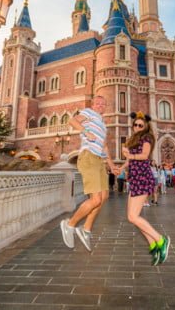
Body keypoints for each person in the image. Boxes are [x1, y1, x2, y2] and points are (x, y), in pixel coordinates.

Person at [60, 96, 117, 252]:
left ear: (105, 107)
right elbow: (72, 121)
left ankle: (86, 229)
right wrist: (85, 131)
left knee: (103, 197)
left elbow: (104, 146)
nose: (100, 105)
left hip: (99, 161)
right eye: (98, 103)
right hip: (88, 157)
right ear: (93, 105)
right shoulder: (89, 113)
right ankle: (69, 225)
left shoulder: (103, 125)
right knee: (95, 199)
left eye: (103, 104)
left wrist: (111, 165)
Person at [120, 112, 170, 265]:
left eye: (140, 125)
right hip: (135, 177)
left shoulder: (147, 138)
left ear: (146, 126)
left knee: (133, 217)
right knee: (132, 217)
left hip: (142, 177)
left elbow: (144, 155)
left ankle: (161, 240)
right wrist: (120, 167)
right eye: (135, 124)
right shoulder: (134, 139)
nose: (137, 127)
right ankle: (153, 245)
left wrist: (130, 154)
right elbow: (130, 160)